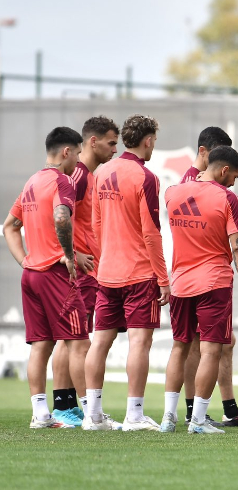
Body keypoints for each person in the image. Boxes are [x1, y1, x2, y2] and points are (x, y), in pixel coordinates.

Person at [160, 147, 238, 434]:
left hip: (180, 283)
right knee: (211, 350)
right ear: (224, 170)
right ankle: (198, 421)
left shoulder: (173, 192)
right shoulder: (227, 199)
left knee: (179, 348)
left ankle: (168, 418)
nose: (234, 183)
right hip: (213, 283)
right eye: (235, 176)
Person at [84, 114, 169, 432]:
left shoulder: (102, 171)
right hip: (139, 274)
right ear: (148, 140)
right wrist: (163, 278)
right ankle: (134, 415)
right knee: (139, 343)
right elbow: (151, 233)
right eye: (154, 141)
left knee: (99, 342)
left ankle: (92, 416)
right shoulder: (147, 177)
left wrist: (104, 259)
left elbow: (96, 224)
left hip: (107, 273)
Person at [3, 127, 90, 429]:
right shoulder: (61, 180)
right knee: (78, 343)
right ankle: (93, 413)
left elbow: (9, 226)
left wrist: (25, 261)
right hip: (54, 272)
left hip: (32, 275)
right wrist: (68, 254)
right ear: (67, 152)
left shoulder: (32, 182)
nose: (79, 160)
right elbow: (62, 217)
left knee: (41, 346)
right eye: (78, 154)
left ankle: (40, 414)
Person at [49, 116, 118, 427]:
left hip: (86, 270)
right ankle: (67, 407)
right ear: (93, 142)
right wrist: (73, 255)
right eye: (111, 143)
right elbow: (59, 218)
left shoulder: (87, 175)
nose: (115, 150)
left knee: (71, 338)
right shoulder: (76, 176)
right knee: (73, 339)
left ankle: (66, 405)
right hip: (78, 272)